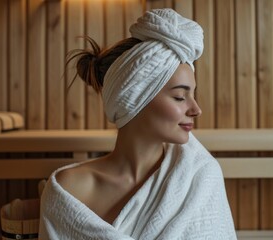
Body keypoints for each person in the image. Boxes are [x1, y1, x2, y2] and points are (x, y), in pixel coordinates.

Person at [39, 8, 237, 239]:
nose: (196, 109)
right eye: (180, 97)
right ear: (135, 99)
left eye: (193, 95)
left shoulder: (200, 177)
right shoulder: (69, 191)